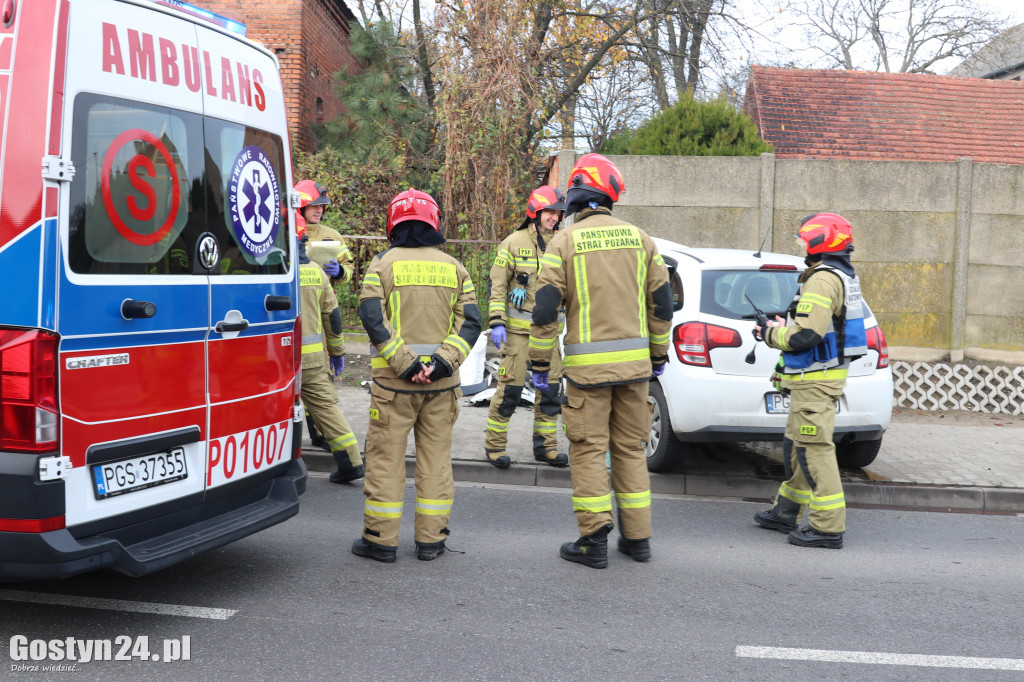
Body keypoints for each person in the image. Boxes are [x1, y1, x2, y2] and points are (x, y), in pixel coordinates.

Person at [529, 154, 673, 569]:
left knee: (589, 450)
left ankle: (593, 541)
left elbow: (544, 311)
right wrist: (658, 355)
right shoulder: (641, 240)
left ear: (577, 194)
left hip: (587, 375)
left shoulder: (563, 243)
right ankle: (638, 539)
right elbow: (662, 305)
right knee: (630, 449)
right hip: (635, 373)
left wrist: (540, 364)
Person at [352, 188, 481, 563]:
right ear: (434, 222)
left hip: (393, 387)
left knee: (385, 463)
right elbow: (471, 323)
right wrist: (440, 363)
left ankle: (380, 541)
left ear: (393, 223)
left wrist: (406, 363)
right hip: (442, 387)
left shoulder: (381, 265)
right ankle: (431, 541)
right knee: (436, 463)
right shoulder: (455, 267)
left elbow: (373, 319)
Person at [753, 212, 868, 549]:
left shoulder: (822, 279)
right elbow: (821, 327)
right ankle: (786, 511)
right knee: (797, 447)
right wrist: (784, 325)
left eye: (805, 240)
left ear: (820, 241)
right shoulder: (839, 274)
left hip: (815, 381)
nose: (802, 246)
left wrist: (770, 334)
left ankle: (827, 527)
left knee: (814, 450)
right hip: (815, 379)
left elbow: (807, 335)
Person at [483, 186, 569, 469]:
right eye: (549, 212)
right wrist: (497, 322)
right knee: (510, 391)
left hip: (549, 335)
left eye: (558, 213)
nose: (554, 217)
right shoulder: (514, 242)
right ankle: (495, 446)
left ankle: (546, 447)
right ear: (536, 212)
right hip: (518, 335)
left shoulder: (562, 243)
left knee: (551, 393)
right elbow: (497, 285)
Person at [296, 217, 364, 484]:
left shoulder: (268, 273)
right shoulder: (316, 271)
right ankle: (352, 463)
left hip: (275, 362)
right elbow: (332, 317)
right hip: (313, 360)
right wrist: (337, 353)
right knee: (327, 409)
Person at [295, 179, 355, 451]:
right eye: (314, 206)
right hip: (297, 307)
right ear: (301, 207)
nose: (319, 210)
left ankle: (319, 433)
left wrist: (340, 273)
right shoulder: (287, 231)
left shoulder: (332, 236)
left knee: (317, 376)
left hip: (321, 309)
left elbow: (348, 269)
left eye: (322, 206)